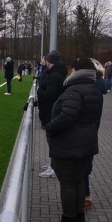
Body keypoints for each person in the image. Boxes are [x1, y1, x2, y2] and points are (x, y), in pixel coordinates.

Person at [44, 57, 102, 222]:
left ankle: (69, 221)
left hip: (70, 143)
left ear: (76, 70)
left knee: (68, 183)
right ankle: (78, 218)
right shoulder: (92, 87)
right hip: (84, 142)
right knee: (77, 181)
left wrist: (50, 127)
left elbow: (68, 117)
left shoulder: (75, 90)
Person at [37, 50, 68, 179]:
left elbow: (50, 95)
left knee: (53, 141)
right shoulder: (58, 74)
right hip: (52, 111)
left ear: (51, 62)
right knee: (53, 140)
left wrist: (39, 92)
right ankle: (53, 164)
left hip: (51, 112)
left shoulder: (54, 76)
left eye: (48, 61)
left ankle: (55, 168)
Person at [82, 58, 107, 211]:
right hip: (90, 132)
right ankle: (85, 195)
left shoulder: (93, 88)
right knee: (85, 164)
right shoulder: (97, 86)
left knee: (83, 166)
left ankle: (85, 197)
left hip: (86, 132)